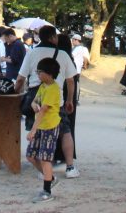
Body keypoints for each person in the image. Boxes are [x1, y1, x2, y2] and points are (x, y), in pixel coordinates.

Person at [15, 25, 81, 178]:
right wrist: (70, 100)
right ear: (53, 37)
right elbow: (71, 80)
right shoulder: (63, 54)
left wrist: (15, 92)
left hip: (35, 96)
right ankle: (70, 167)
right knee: (65, 131)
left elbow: (20, 78)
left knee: (38, 131)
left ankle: (44, 169)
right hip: (55, 97)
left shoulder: (31, 53)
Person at [26, 57, 64, 203]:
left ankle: (47, 190)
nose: (37, 75)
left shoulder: (53, 89)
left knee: (45, 158)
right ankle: (51, 178)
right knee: (30, 155)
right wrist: (33, 105)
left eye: (39, 72)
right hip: (40, 125)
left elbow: (43, 111)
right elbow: (35, 102)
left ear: (48, 73)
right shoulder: (43, 86)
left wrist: (32, 130)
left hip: (49, 126)